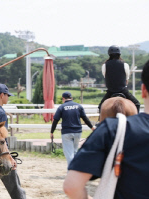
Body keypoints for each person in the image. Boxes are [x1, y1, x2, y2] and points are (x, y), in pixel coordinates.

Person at [63, 60, 149, 199]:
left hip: (111, 90)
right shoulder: (124, 66)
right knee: (136, 103)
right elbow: (126, 77)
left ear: (144, 90)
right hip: (123, 89)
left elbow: (71, 186)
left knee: (101, 105)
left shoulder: (110, 128)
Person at [50, 91, 95, 166]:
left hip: (66, 132)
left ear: (63, 98)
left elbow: (55, 121)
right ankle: (77, 169)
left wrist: (52, 132)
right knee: (74, 152)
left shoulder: (61, 107)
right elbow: (85, 119)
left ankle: (71, 171)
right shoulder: (79, 106)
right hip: (78, 132)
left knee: (69, 154)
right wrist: (92, 128)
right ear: (71, 98)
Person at [98, 45, 140, 113]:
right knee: (137, 104)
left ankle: (100, 122)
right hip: (123, 90)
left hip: (110, 91)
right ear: (119, 54)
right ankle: (136, 121)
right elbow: (127, 79)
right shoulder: (125, 64)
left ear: (109, 54)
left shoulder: (104, 65)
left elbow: (105, 76)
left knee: (100, 106)